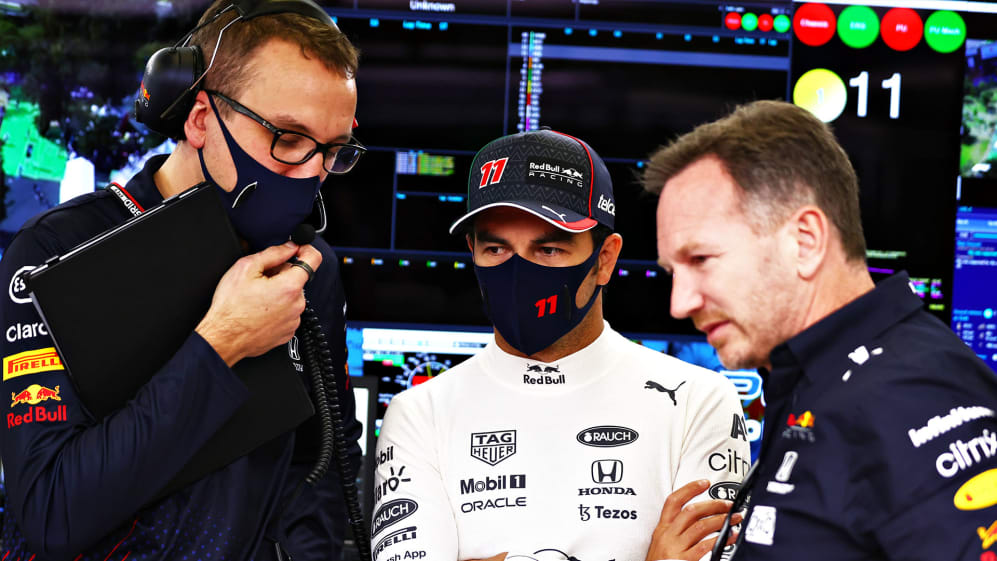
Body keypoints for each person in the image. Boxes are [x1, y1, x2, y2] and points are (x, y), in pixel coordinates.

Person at [0, 1, 364, 559]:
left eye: (334, 151)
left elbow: (326, 460)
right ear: (199, 120)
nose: (314, 173)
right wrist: (221, 344)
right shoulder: (54, 253)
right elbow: (52, 512)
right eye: (288, 138)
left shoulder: (308, 269)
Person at [371, 128, 748, 561]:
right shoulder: (419, 414)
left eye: (548, 249)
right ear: (472, 249)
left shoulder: (699, 401)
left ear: (605, 258)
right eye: (496, 249)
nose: (518, 272)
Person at [644, 99, 997, 560]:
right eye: (673, 272)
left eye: (701, 259)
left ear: (805, 241)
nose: (680, 303)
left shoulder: (914, 395)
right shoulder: (812, 379)